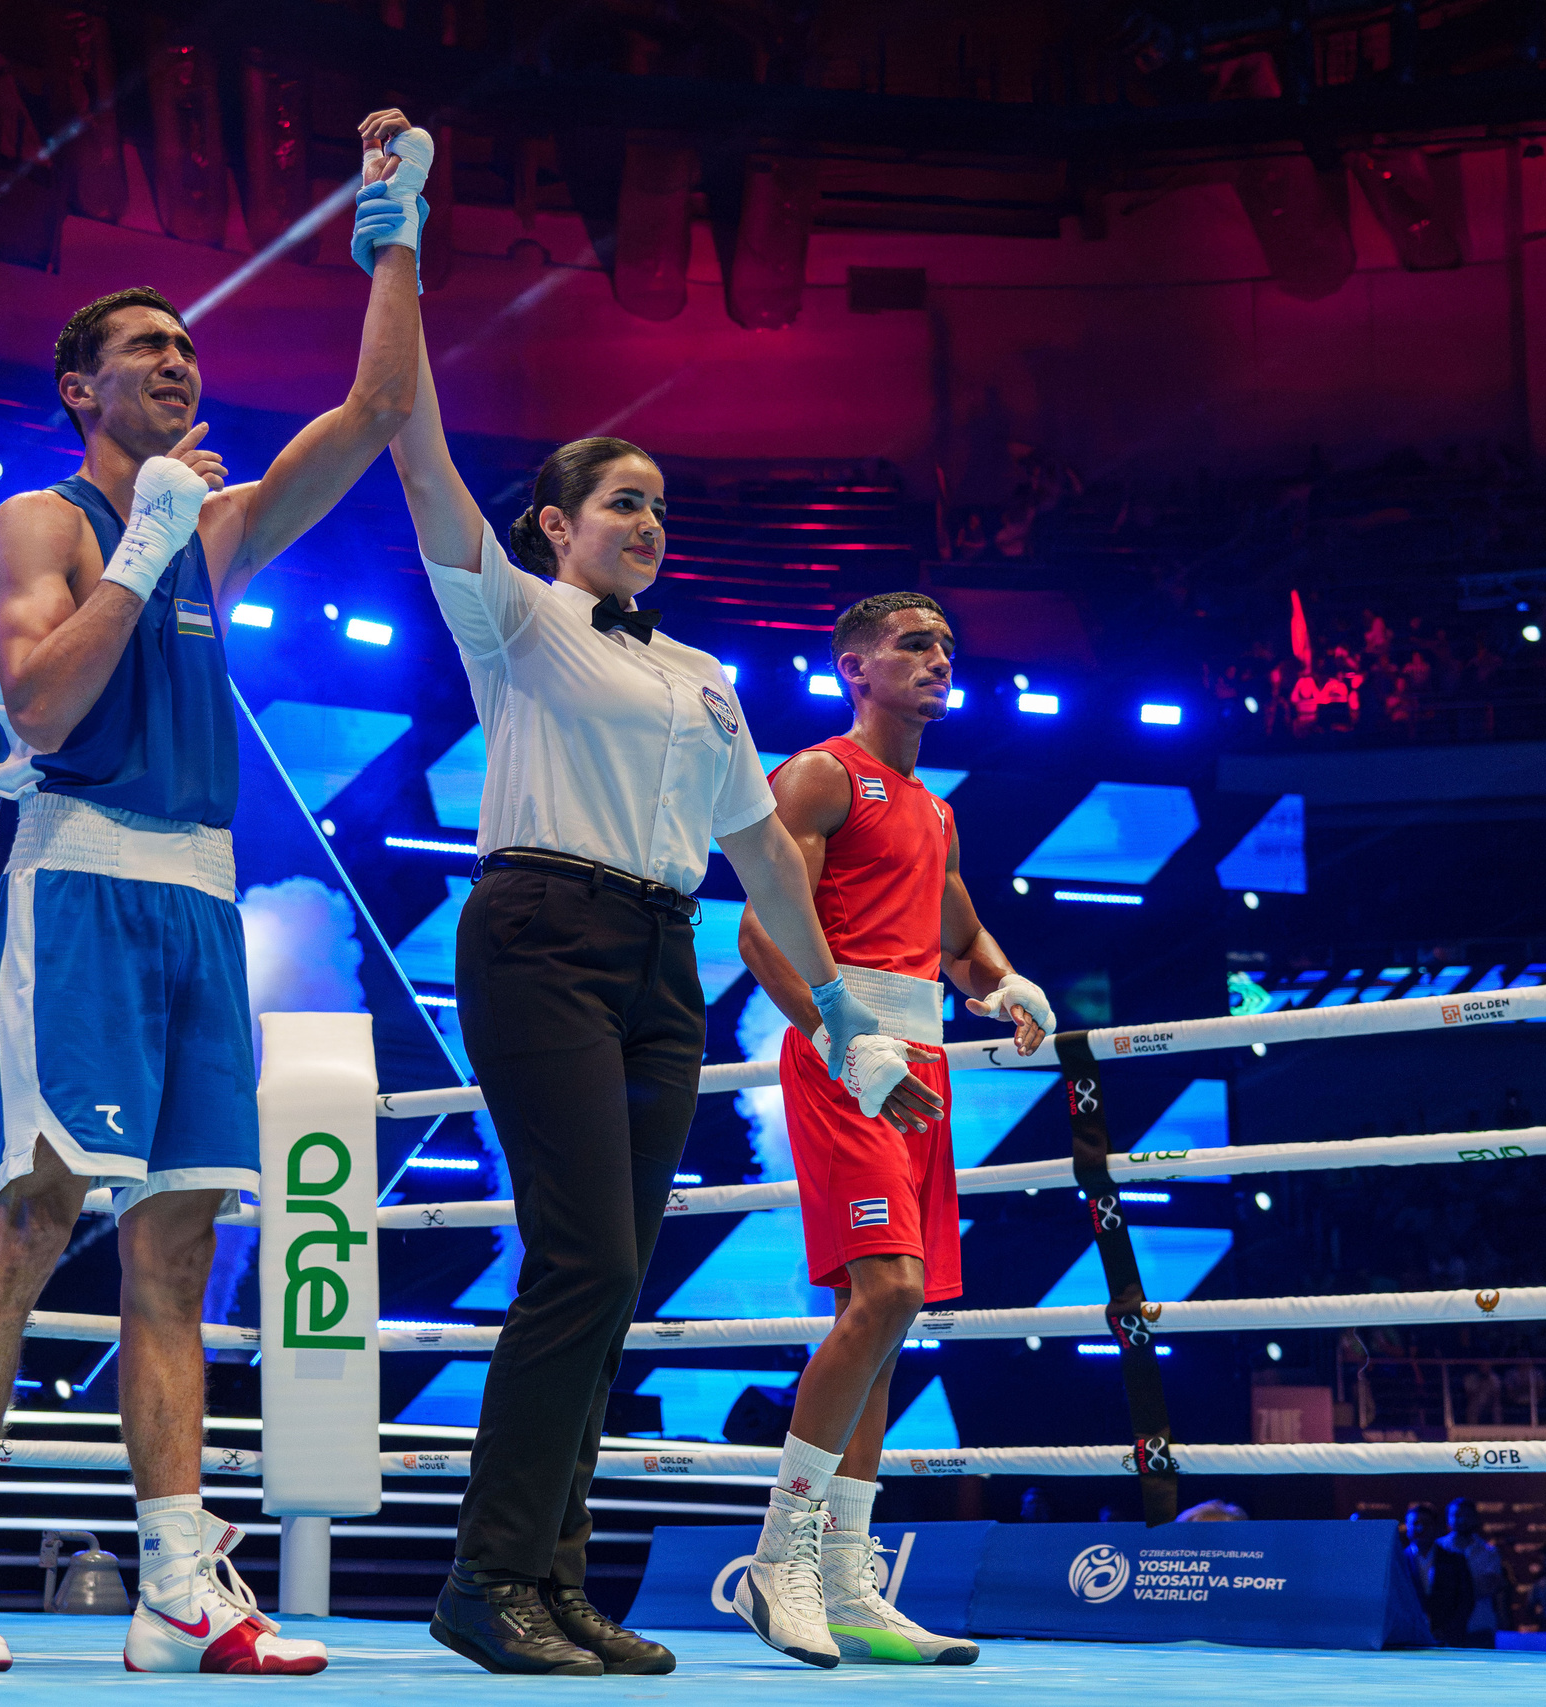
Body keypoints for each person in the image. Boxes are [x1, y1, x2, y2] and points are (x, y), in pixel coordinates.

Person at [367, 111, 905, 1681]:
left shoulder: (706, 675)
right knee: (584, 1258)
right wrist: (398, 235)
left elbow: (764, 864)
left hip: (666, 961)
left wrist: (846, 1018)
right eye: (621, 499)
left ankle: (555, 1578)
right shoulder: (519, 619)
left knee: (610, 1280)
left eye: (661, 501)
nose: (649, 520)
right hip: (539, 930)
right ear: (555, 524)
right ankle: (486, 1576)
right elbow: (412, 442)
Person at [0, 117, 427, 1679]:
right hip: (80, 883)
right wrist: (143, 538)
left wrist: (393, 229)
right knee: (31, 1218)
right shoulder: (45, 522)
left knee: (178, 1250)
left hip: (201, 899)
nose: (180, 361)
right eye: (147, 346)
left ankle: (179, 1583)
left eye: (189, 344)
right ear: (83, 387)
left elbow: (378, 411)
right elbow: (41, 707)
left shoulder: (215, 522)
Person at [729, 591, 1052, 1669]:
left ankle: (844, 1577)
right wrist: (841, 1037)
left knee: (883, 1320)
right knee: (888, 1291)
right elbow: (760, 930)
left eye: (946, 645)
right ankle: (779, 1556)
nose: (938, 658)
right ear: (854, 669)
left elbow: (960, 941)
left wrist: (1007, 981)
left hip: (919, 1065)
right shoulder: (820, 775)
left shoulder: (934, 809)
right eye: (914, 644)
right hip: (846, 1055)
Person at [1401, 1503, 1477, 1647]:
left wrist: (1448, 1631)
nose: (1420, 1528)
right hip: (1408, 1640)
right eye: (1415, 1523)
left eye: (1426, 1523)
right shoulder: (1397, 1562)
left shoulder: (1455, 1560)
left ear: (1435, 1527)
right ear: (1407, 1527)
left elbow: (1466, 1600)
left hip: (1449, 1642)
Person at [1445, 1496, 1505, 1646]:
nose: (1462, 1520)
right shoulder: (1438, 1549)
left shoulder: (1489, 1552)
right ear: (1448, 1519)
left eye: (1467, 1515)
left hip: (1480, 1627)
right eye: (1457, 1515)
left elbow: (1489, 1587)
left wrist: (1451, 1587)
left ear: (1475, 1518)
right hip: (1445, 1628)